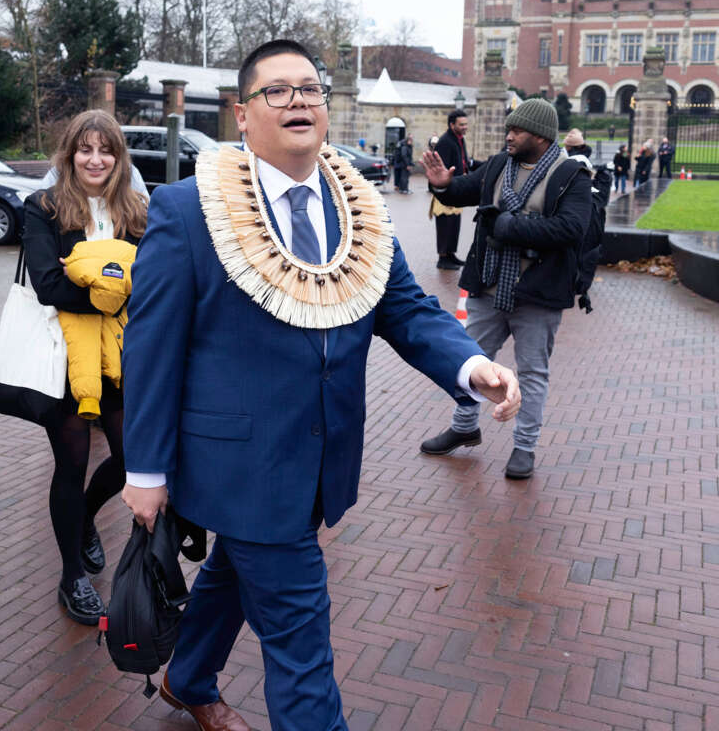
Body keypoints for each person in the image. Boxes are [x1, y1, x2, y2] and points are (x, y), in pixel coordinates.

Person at [121, 39, 521, 731]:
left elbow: (405, 308)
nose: (298, 100)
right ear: (242, 116)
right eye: (276, 91)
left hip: (323, 455)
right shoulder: (188, 210)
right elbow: (151, 349)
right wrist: (146, 469)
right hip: (241, 465)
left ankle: (186, 679)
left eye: (309, 88)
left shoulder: (358, 205)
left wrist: (468, 365)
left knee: (228, 576)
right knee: (301, 646)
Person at [419, 98, 592, 481]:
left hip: (538, 293)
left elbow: (571, 229)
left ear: (541, 136)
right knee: (468, 360)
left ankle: (524, 446)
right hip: (487, 286)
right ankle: (465, 426)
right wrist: (443, 186)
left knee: (532, 372)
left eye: (517, 130)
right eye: (508, 129)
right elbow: (465, 190)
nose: (508, 135)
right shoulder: (499, 165)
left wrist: (509, 227)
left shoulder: (571, 176)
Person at [22, 109, 146, 625]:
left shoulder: (138, 210)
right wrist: (117, 293)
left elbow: (156, 281)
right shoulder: (44, 208)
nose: (95, 159)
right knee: (71, 465)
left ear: (119, 157)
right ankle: (72, 575)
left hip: (122, 358)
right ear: (69, 153)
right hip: (67, 359)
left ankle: (87, 520)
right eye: (85, 149)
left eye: (106, 150)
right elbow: (49, 285)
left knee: (132, 456)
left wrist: (108, 295)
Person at [431, 109, 473, 269]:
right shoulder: (445, 141)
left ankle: (451, 254)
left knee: (454, 224)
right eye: (461, 124)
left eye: (466, 124)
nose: (465, 127)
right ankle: (443, 258)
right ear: (451, 124)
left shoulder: (459, 139)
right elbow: (441, 168)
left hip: (457, 188)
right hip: (445, 190)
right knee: (445, 224)